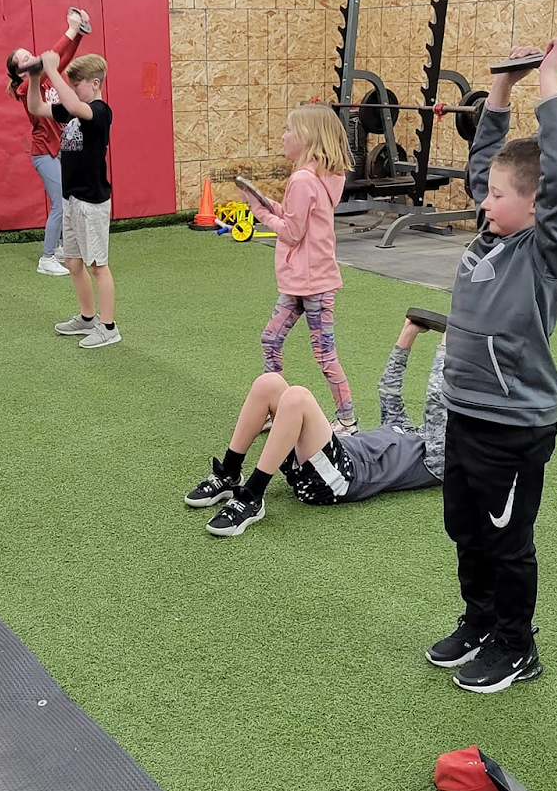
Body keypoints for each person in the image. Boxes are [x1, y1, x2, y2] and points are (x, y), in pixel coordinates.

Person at [426, 38, 557, 694]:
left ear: (535, 206)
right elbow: (484, 164)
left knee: (506, 541)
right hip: (466, 415)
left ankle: (517, 645)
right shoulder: (491, 230)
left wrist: (550, 82)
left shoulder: (544, 253)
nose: (484, 200)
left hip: (512, 425)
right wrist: (500, 86)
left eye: (498, 195)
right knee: (465, 530)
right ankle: (480, 621)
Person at [184, 315, 447, 536]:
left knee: (297, 398)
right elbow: (388, 389)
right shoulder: (407, 429)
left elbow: (437, 398)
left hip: (338, 480)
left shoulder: (440, 460)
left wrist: (450, 345)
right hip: (325, 460)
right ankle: (229, 474)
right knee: (269, 384)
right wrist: (408, 333)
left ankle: (252, 496)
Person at [258, 103, 357, 434]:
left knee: (324, 354)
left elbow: (291, 232)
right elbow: (296, 217)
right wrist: (271, 206)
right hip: (300, 282)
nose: (283, 136)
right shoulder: (320, 177)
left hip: (313, 285)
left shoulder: (302, 179)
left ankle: (347, 421)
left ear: (307, 137)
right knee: (271, 339)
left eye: (289, 129)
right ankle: (276, 409)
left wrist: (262, 214)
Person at [25, 50, 119, 348]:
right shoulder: (73, 112)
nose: (73, 89)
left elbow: (75, 104)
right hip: (71, 199)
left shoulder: (100, 112)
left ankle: (108, 327)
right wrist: (36, 77)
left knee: (97, 266)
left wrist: (53, 71)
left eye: (77, 84)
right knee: (73, 262)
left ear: (95, 83)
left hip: (91, 202)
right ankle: (87, 318)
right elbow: (36, 107)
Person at [6, 6, 91, 277]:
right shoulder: (26, 87)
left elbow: (61, 57)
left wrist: (79, 33)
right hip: (44, 153)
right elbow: (51, 57)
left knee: (69, 199)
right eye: (25, 59)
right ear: (21, 72)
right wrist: (71, 29)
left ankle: (61, 248)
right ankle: (46, 258)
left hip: (60, 148)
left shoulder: (45, 80)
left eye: (29, 54)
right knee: (60, 203)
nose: (31, 57)